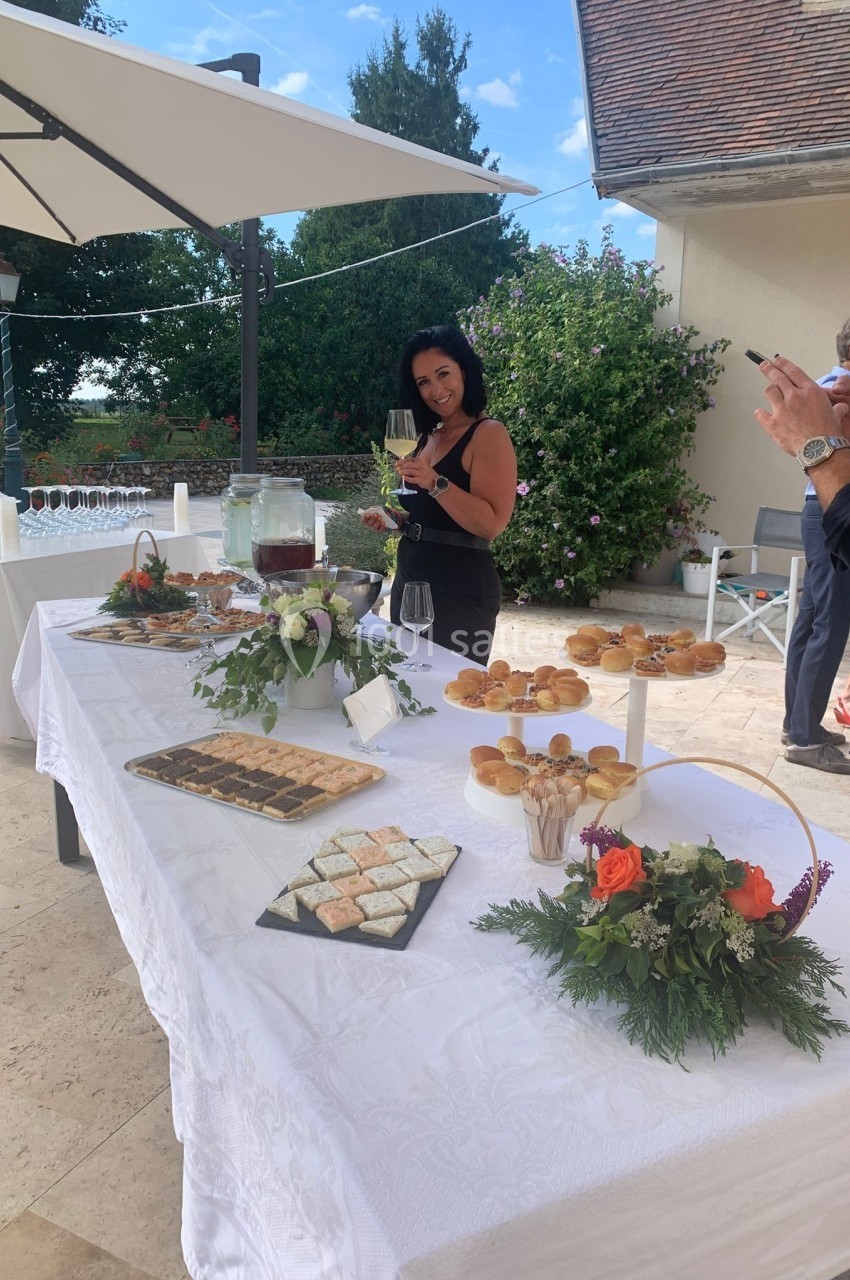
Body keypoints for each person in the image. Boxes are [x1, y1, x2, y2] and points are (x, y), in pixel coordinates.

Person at [362, 324, 517, 663]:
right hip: (411, 582)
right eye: (423, 382)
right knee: (412, 687)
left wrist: (435, 483)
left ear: (464, 370)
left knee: (456, 694)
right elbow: (434, 516)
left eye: (443, 374)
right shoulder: (429, 436)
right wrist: (396, 520)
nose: (436, 389)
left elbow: (490, 524)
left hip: (459, 590)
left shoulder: (488, 434)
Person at [754, 351, 850, 773]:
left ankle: (798, 725)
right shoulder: (832, 390)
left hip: (821, 509)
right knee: (830, 622)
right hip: (834, 507)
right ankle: (806, 739)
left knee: (813, 618)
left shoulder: (826, 386)